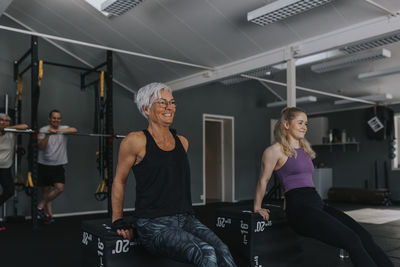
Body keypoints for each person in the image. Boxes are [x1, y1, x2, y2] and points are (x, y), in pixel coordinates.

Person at [111, 83, 236, 267]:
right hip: (153, 225)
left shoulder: (182, 142)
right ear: (146, 108)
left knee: (222, 250)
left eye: (172, 102)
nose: (169, 107)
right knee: (206, 253)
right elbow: (119, 181)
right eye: (162, 102)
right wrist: (117, 219)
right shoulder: (135, 141)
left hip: (185, 219)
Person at [253, 107, 394, 267]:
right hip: (300, 211)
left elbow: (299, 179)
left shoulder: (304, 149)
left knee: (364, 236)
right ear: (286, 124)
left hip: (317, 204)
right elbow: (263, 181)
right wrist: (258, 207)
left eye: (305, 123)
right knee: (351, 240)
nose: (304, 127)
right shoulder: (274, 151)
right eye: (300, 123)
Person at [37, 109, 77, 224]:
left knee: (59, 188)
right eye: (54, 118)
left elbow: (75, 130)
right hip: (44, 164)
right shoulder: (43, 130)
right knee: (46, 192)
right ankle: (49, 216)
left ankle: (40, 207)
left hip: (58, 165)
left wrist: (57, 131)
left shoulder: (64, 128)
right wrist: (48, 135)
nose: (56, 120)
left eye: (58, 118)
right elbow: (41, 147)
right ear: (50, 119)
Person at [0, 113, 28, 231]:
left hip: (5, 168)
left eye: (6, 121)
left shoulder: (12, 132)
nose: (4, 122)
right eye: (1, 120)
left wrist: (8, 128)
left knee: (9, 191)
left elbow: (25, 126)